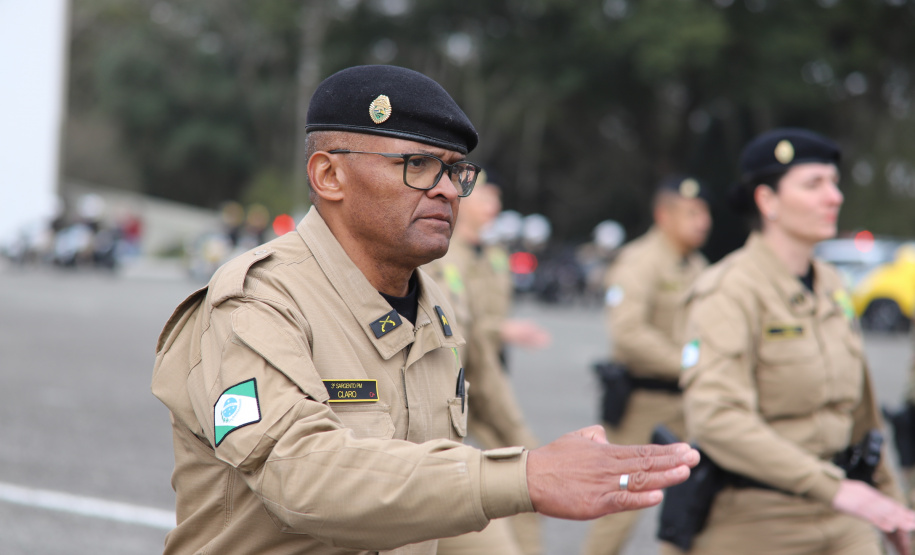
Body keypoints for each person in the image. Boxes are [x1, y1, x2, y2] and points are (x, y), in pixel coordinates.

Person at [150, 65, 699, 555]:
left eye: (455, 171)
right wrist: (523, 477)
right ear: (328, 176)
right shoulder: (257, 302)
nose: (446, 191)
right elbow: (301, 474)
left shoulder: (432, 304)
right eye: (417, 164)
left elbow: (427, 500)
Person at [667, 128, 915, 555]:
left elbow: (862, 416)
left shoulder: (833, 285)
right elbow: (716, 417)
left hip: (843, 517)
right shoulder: (729, 289)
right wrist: (836, 489)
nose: (834, 196)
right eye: (813, 184)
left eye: (834, 183)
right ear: (767, 201)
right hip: (758, 520)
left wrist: (893, 506)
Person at [583, 175, 711, 555]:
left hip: (689, 401)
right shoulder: (640, 261)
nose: (703, 220)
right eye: (691, 212)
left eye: (705, 212)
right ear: (664, 215)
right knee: (620, 502)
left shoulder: (698, 266)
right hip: (644, 401)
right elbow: (629, 334)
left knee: (694, 503)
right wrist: (690, 364)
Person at [425, 178, 544, 555]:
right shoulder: (443, 254)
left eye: (496, 193)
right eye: (486, 193)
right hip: (461, 372)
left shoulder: (493, 253)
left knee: (516, 473)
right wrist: (502, 330)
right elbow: (468, 325)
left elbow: (486, 317)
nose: (494, 200)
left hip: (485, 366)